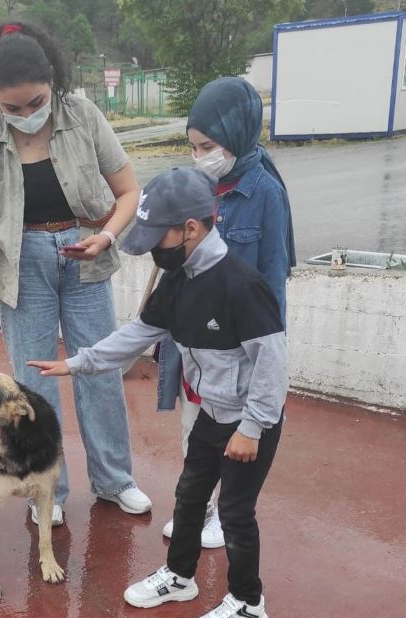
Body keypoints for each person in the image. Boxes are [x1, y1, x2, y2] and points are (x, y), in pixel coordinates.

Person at [29, 167, 288, 618]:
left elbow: (271, 364)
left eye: (156, 237)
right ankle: (180, 577)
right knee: (189, 496)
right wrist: (79, 362)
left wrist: (252, 428)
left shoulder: (241, 285)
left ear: (190, 228)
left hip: (250, 423)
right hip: (212, 412)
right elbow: (137, 335)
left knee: (234, 511)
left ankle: (249, 604)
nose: (152, 249)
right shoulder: (179, 279)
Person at [0, 21, 151, 526]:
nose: (26, 115)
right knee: (35, 386)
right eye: (11, 108)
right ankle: (51, 488)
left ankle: (114, 480)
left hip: (83, 256)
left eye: (35, 102)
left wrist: (106, 236)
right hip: (21, 267)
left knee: (100, 371)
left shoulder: (82, 116)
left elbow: (130, 191)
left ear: (52, 83)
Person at [158, 77, 296, 549]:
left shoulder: (265, 193)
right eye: (193, 147)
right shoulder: (199, 184)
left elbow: (272, 280)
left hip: (237, 344)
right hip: (196, 340)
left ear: (237, 135)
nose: (200, 156)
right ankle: (201, 507)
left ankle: (224, 510)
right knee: (194, 429)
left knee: (233, 435)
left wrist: (263, 352)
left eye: (208, 146)